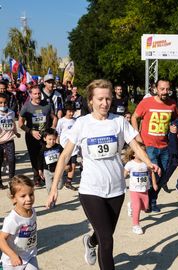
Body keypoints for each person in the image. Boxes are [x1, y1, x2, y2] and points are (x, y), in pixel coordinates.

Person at [46, 79, 160, 270]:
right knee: (107, 240)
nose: (104, 103)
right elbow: (65, 155)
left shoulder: (119, 121)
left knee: (103, 234)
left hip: (116, 189)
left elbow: (135, 146)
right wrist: (53, 189)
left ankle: (90, 242)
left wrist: (149, 163)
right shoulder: (82, 123)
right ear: (91, 100)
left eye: (107, 99)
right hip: (91, 189)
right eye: (100, 99)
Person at [131, 78, 177, 212]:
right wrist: (136, 135)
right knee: (154, 174)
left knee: (163, 176)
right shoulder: (146, 102)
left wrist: (174, 127)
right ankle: (149, 201)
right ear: (156, 89)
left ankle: (152, 199)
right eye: (162, 89)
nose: (165, 92)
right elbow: (134, 117)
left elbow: (174, 120)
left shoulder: (172, 104)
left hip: (164, 146)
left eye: (167, 89)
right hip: (149, 145)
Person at [18, 86, 57, 187]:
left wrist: (52, 128)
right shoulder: (26, 106)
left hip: (45, 137)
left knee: (46, 156)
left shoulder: (47, 105)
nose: (38, 95)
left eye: (39, 93)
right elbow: (20, 123)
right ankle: (36, 178)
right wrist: (31, 132)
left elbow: (54, 117)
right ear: (30, 95)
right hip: (32, 137)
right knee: (34, 157)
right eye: (35, 94)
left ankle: (46, 176)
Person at [0, 175, 39, 270]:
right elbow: (1, 240)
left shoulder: (32, 211)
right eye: (23, 196)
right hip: (12, 262)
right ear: (14, 199)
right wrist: (12, 255)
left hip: (30, 256)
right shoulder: (12, 219)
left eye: (31, 194)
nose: (29, 199)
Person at [124, 144, 158, 235]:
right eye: (141, 152)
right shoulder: (130, 164)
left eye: (144, 152)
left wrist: (154, 183)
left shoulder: (146, 163)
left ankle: (131, 205)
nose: (143, 153)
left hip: (144, 189)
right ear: (134, 154)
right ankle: (136, 225)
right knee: (137, 207)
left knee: (145, 207)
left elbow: (152, 173)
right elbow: (124, 174)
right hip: (134, 190)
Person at [55, 101, 78, 190]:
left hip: (74, 147)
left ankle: (68, 182)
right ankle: (61, 175)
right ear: (65, 111)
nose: (71, 113)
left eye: (73, 111)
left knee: (73, 165)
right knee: (66, 166)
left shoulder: (76, 121)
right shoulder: (61, 121)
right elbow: (58, 133)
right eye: (69, 111)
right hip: (64, 147)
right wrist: (57, 144)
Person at [0, 93, 21, 189]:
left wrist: (16, 133)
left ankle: (11, 181)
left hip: (9, 140)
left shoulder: (11, 113)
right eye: (0, 103)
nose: (3, 105)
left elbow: (13, 124)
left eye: (5, 103)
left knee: (12, 160)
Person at [38, 128, 64, 195]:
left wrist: (66, 164)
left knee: (60, 186)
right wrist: (40, 170)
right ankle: (52, 200)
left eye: (54, 139)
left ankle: (55, 188)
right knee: (49, 188)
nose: (52, 141)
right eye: (50, 139)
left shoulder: (58, 147)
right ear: (44, 139)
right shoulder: (43, 150)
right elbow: (40, 160)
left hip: (58, 170)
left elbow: (65, 155)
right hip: (47, 171)